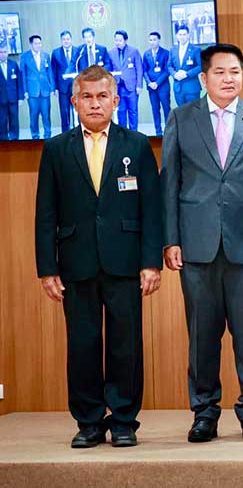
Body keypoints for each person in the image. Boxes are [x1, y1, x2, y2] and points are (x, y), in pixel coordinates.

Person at [161, 43, 243, 443]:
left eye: (235, 71)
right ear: (204, 78)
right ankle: (204, 412)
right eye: (220, 72)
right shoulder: (181, 118)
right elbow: (170, 183)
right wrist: (170, 239)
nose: (228, 78)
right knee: (202, 335)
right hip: (196, 244)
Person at [34, 65, 162, 448]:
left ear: (115, 100)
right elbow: (45, 213)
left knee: (126, 344)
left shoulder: (136, 145)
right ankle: (89, 421)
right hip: (76, 262)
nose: (94, 104)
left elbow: (151, 210)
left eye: (102, 96)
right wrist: (47, 268)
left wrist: (151, 262)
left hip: (125, 261)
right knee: (82, 344)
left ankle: (123, 421)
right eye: (86, 97)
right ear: (74, 101)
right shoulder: (56, 148)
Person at [109, 31, 144, 131]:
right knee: (121, 112)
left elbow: (139, 69)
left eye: (120, 40)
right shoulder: (111, 53)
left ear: (125, 40)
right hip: (118, 87)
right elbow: (109, 70)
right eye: (116, 40)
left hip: (131, 87)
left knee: (133, 111)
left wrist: (139, 85)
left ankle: (133, 133)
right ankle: (123, 134)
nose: (117, 42)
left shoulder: (134, 51)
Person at [21, 34, 54, 139]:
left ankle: (48, 136)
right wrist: (25, 91)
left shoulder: (45, 55)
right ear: (31, 44)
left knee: (46, 115)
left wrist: (52, 88)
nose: (38, 45)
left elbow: (50, 73)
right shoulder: (24, 57)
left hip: (45, 90)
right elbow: (23, 75)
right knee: (34, 116)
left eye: (40, 43)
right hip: (32, 92)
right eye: (36, 43)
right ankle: (35, 136)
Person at [142, 31, 172, 136]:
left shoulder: (166, 53)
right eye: (150, 40)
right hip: (151, 87)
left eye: (154, 40)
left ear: (159, 40)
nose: (152, 42)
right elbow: (144, 71)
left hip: (163, 86)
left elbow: (167, 71)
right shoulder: (146, 54)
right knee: (155, 109)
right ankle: (158, 131)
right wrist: (149, 82)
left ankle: (169, 131)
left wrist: (157, 83)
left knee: (166, 108)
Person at [50, 30, 79, 132]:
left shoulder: (78, 51)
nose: (66, 41)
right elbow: (53, 71)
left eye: (68, 39)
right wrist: (55, 88)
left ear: (71, 39)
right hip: (62, 88)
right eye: (64, 39)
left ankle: (78, 133)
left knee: (78, 112)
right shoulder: (56, 53)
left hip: (76, 87)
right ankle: (65, 135)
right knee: (64, 113)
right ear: (61, 40)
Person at [168, 25, 202, 106]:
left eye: (184, 34)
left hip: (192, 88)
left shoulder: (196, 49)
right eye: (180, 35)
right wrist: (174, 74)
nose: (182, 37)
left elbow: (201, 66)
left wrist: (187, 74)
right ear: (177, 36)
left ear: (188, 35)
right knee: (181, 112)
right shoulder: (173, 50)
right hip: (178, 88)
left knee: (193, 112)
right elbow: (169, 66)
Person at [0, 45, 23, 140]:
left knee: (14, 121)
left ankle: (14, 140)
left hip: (13, 98)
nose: (2, 54)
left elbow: (19, 82)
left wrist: (20, 98)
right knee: (2, 122)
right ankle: (3, 140)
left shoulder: (13, 64)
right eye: (0, 52)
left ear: (7, 53)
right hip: (1, 100)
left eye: (4, 52)